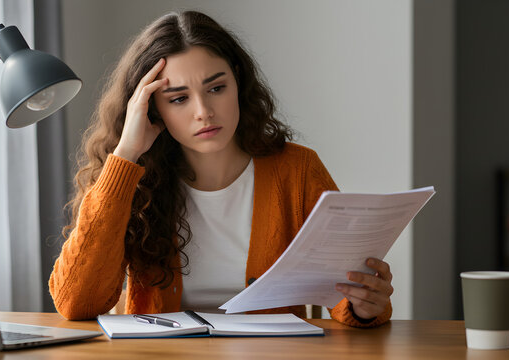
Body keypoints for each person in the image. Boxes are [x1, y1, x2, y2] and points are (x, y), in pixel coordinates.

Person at [49, 10, 393, 328]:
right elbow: (76, 302)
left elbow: (344, 293)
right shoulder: (134, 180)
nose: (203, 111)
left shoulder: (298, 170)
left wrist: (364, 307)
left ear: (238, 81)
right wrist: (126, 155)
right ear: (152, 109)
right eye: (178, 98)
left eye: (216, 88)